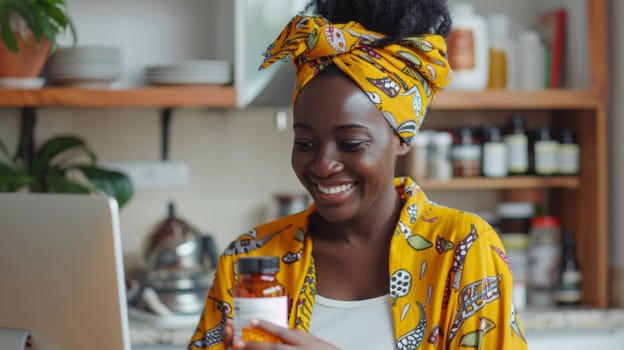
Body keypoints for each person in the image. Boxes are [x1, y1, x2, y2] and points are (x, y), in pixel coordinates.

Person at [189, 0, 528, 349]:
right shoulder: (250, 259)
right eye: (305, 142)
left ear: (402, 138)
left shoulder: (463, 248)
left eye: (351, 143)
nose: (323, 164)